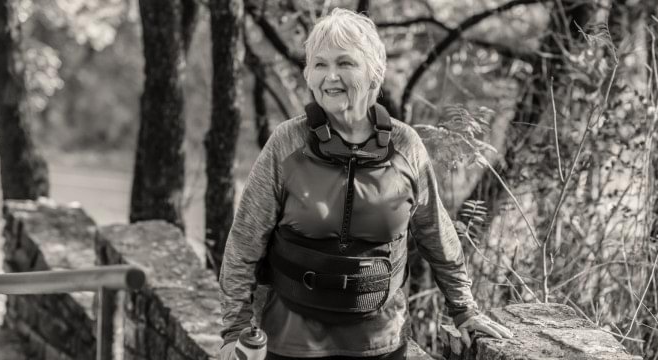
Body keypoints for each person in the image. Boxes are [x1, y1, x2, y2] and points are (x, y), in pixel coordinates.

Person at [219, 8, 513, 360]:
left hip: (381, 345)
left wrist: (464, 310)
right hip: (290, 344)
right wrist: (233, 332)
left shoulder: (405, 147)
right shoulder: (286, 143)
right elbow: (243, 244)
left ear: (374, 73)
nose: (331, 77)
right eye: (319, 65)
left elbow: (437, 234)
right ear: (308, 75)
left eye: (345, 63)